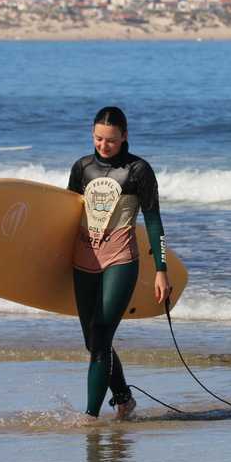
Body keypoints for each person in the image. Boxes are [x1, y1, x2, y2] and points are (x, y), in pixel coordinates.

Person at [67, 106, 171, 420]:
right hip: (83, 259)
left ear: (124, 136)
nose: (103, 145)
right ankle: (123, 398)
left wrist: (161, 270)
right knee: (93, 340)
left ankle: (89, 416)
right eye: (98, 138)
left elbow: (153, 221)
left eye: (110, 140)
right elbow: (64, 216)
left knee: (100, 334)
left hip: (120, 259)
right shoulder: (82, 167)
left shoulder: (139, 170)